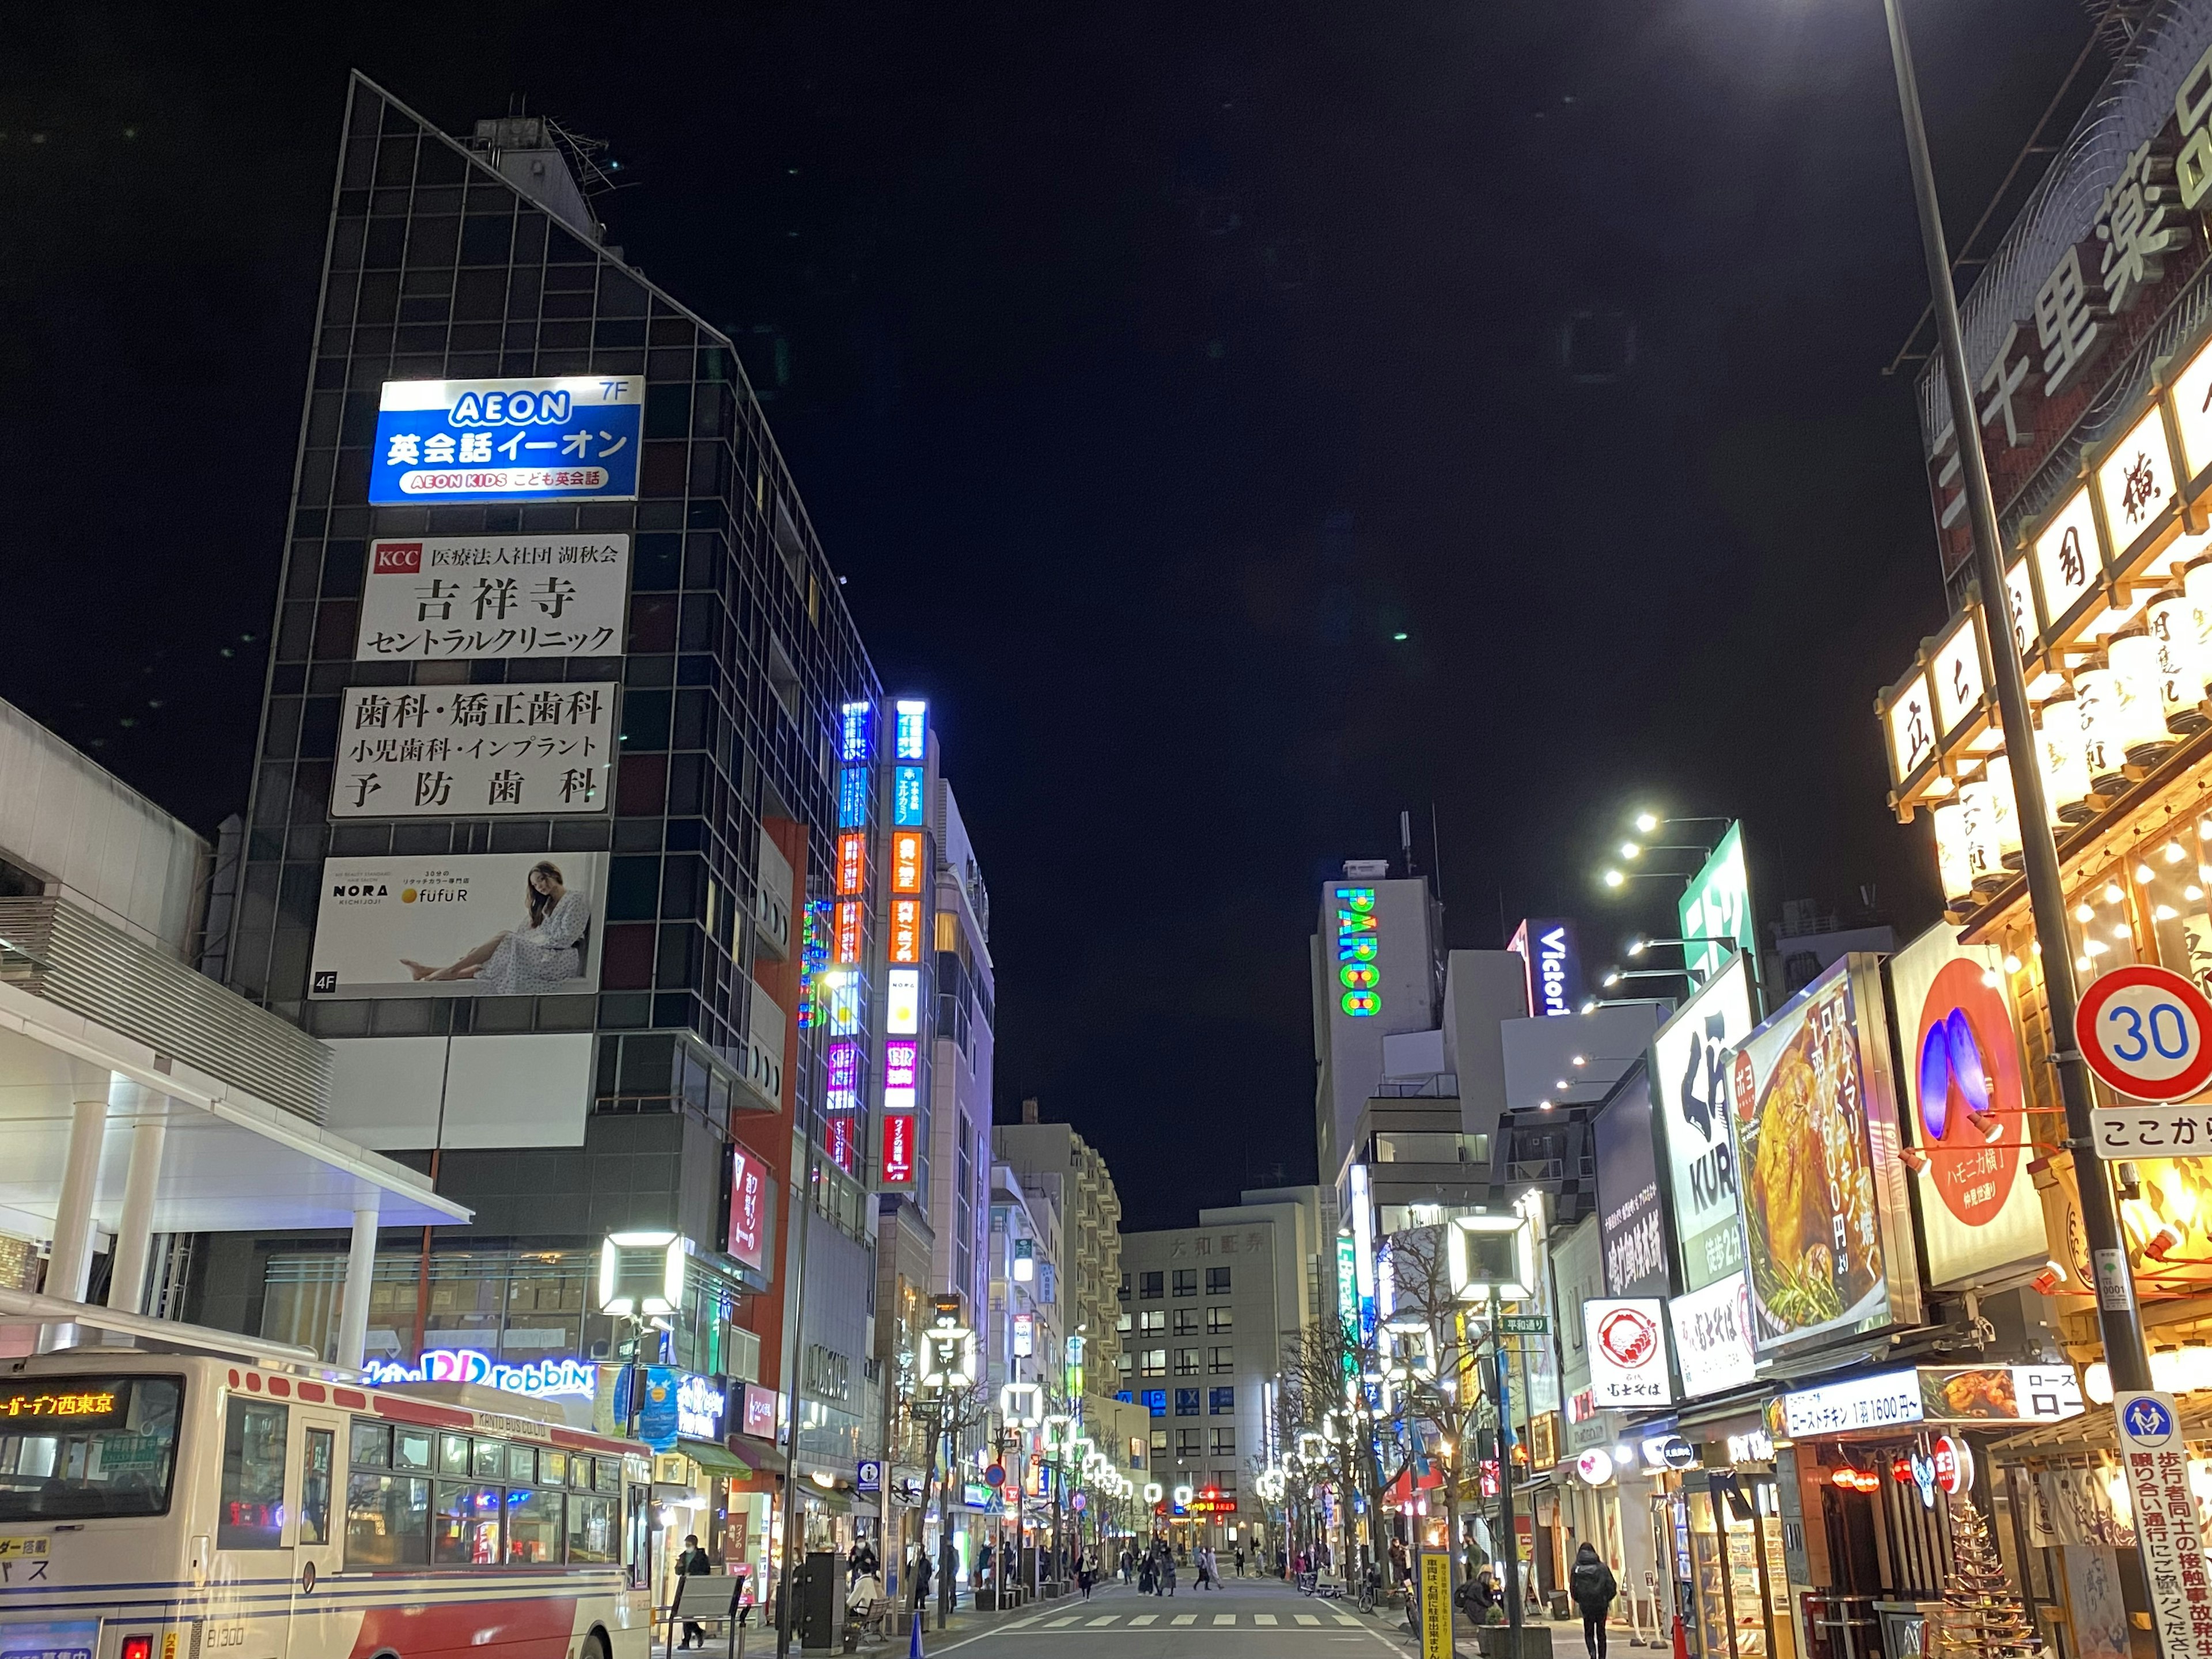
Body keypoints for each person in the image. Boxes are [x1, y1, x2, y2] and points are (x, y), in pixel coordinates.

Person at [401, 861, 593, 993]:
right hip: (542, 954)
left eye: (542, 879)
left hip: (560, 960)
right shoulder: (544, 907)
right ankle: (428, 971)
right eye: (535, 885)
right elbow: (524, 934)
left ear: (554, 875)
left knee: (505, 938)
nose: (540, 887)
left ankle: (449, 971)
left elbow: (566, 938)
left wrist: (527, 943)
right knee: (496, 950)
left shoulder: (575, 899)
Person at [1570, 1542, 1620, 1659]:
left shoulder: (1576, 1568)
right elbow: (1611, 1586)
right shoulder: (1602, 1568)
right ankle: (1602, 1656)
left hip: (1586, 1606)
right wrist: (1606, 1599)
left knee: (1589, 1632)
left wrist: (1580, 1600)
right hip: (1601, 1605)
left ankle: (1592, 1652)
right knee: (1601, 1632)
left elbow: (1573, 1589)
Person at [675, 1533, 713, 1649]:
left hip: (696, 1587)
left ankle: (688, 1639)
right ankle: (696, 1634)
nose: (687, 1547)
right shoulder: (683, 1556)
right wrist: (679, 1567)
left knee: (687, 1613)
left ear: (695, 1545)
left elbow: (706, 1572)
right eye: (686, 1544)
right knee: (685, 1613)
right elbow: (678, 1571)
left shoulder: (702, 1557)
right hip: (684, 1586)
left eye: (689, 1544)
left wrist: (693, 1575)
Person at [848, 1565, 887, 1645]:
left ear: (860, 1571)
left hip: (865, 1611)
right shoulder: (871, 1580)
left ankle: (853, 1634)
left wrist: (846, 1606)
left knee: (849, 1613)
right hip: (874, 1611)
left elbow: (853, 1599)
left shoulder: (862, 1582)